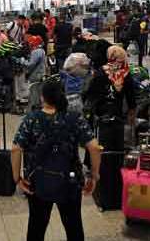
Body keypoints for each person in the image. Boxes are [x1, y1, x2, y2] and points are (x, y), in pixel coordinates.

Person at [11, 80, 101, 241]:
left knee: (36, 227)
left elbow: (16, 148)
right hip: (69, 182)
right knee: (74, 227)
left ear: (42, 98)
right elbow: (94, 147)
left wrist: (17, 177)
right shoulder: (74, 119)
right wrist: (94, 176)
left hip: (37, 182)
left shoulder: (32, 119)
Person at [83, 45, 136, 210]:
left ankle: (103, 196)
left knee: (103, 156)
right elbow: (132, 100)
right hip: (118, 121)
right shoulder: (126, 74)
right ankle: (117, 194)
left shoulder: (100, 73)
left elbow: (89, 94)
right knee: (118, 156)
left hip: (102, 120)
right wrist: (131, 118)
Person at [26, 36, 46, 112]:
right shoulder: (42, 50)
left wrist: (21, 61)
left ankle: (34, 112)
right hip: (41, 74)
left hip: (35, 76)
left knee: (34, 95)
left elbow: (30, 64)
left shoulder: (36, 52)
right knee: (40, 94)